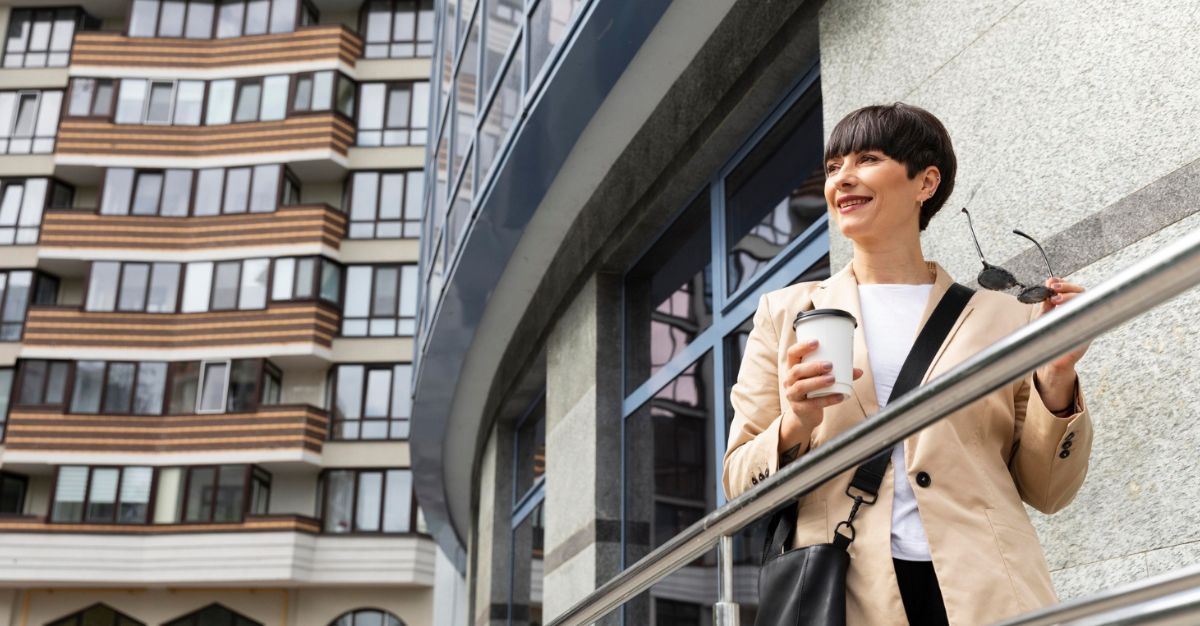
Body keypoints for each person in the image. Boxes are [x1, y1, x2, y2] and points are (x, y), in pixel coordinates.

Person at [721, 103, 1093, 626]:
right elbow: (740, 485)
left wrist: (1057, 378)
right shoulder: (786, 314)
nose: (842, 179)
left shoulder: (1005, 317)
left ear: (926, 182)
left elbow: (1049, 491)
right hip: (848, 596)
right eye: (832, 168)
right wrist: (796, 426)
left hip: (987, 590)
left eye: (867, 159)